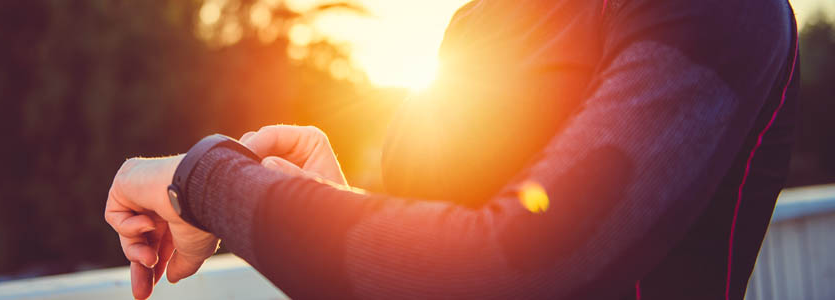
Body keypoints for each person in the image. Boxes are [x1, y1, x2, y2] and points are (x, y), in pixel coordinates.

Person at [104, 0, 800, 298]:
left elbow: (513, 269)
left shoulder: (716, 11)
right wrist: (337, 204)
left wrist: (204, 181)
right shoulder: (482, 21)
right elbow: (438, 257)